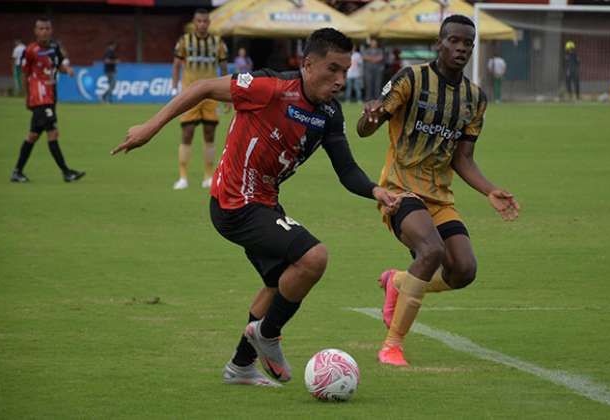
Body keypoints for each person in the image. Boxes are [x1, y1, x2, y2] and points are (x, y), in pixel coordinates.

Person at [111, 28, 399, 386]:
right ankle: (267, 335)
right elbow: (201, 88)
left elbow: (347, 170)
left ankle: (240, 367)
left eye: (345, 71)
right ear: (308, 65)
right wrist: (151, 127)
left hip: (264, 204)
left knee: (281, 283)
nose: (341, 79)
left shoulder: (329, 114)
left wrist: (377, 191)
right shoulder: (268, 87)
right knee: (314, 257)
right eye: (333, 69)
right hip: (235, 203)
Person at [357, 15, 520, 366]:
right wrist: (369, 118)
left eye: (468, 43)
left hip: (439, 198)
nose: (461, 48)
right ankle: (392, 346)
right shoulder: (411, 79)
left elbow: (463, 159)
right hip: (399, 191)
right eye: (455, 41)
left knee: (463, 270)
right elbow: (365, 127)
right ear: (439, 43)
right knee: (430, 251)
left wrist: (490, 190)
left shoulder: (475, 99)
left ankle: (398, 282)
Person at [10, 18, 85, 184]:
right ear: (35, 31)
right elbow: (25, 74)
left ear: (51, 30)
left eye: (47, 28)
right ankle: (66, 172)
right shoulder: (30, 50)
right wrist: (27, 96)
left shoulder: (54, 47)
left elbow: (58, 66)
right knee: (52, 133)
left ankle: (17, 172)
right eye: (41, 28)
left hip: (51, 96)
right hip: (39, 98)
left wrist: (68, 69)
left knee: (33, 136)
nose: (44, 31)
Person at [171, 9, 228, 190]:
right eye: (199, 21)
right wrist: (174, 87)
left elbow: (224, 67)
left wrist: (228, 95)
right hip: (189, 94)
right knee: (187, 133)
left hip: (211, 95)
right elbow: (177, 64)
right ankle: (182, 177)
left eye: (205, 21)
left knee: (209, 134)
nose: (202, 24)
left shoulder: (217, 43)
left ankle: (208, 176)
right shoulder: (184, 41)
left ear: (209, 23)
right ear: (194, 23)